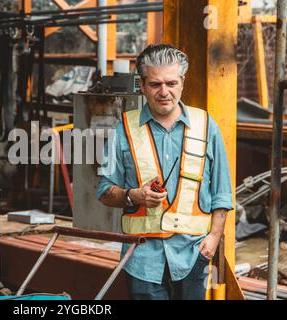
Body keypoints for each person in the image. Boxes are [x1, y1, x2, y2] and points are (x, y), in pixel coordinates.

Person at [97, 44, 233, 300]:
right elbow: (104, 192)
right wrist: (134, 195)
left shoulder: (206, 126)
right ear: (142, 85)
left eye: (171, 83)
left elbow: (222, 193)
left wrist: (214, 238)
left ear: (182, 82)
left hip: (194, 255)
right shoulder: (123, 130)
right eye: (155, 84)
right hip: (141, 258)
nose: (164, 92)